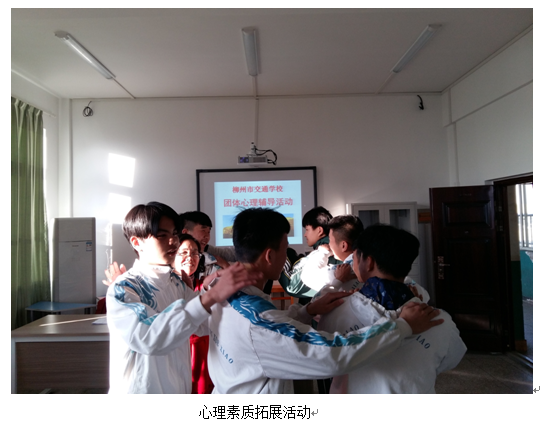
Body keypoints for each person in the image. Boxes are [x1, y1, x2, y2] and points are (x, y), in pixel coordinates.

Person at [206, 207, 444, 394]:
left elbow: (272, 326)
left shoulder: (221, 292)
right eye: (285, 248)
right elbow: (332, 354)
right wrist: (402, 326)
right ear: (269, 256)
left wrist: (307, 310)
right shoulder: (259, 322)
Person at [106, 201, 261, 394]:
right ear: (137, 242)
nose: (173, 241)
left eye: (174, 234)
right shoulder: (124, 288)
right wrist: (210, 296)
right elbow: (149, 338)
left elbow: (202, 325)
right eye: (162, 235)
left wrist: (212, 291)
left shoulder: (177, 283)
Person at [318, 224, 466, 394]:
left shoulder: (336, 312)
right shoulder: (439, 320)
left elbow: (324, 357)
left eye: (356, 257)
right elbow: (450, 359)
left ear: (368, 262)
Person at [278, 206, 340, 299]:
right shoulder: (332, 248)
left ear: (319, 230)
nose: (305, 234)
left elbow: (292, 287)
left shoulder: (324, 251)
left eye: (307, 230)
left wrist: (280, 249)